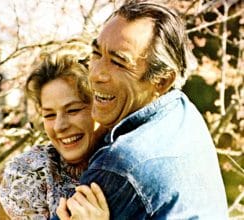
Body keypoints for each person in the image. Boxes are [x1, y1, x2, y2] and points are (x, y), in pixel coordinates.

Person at [56, 1, 229, 219]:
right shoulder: (182, 111)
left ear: (162, 81)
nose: (96, 74)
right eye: (96, 53)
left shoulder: (121, 164)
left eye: (119, 63)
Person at [0, 54, 110, 219]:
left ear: (100, 107)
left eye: (73, 110)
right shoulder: (29, 175)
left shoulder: (125, 160)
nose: (60, 126)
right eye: (49, 115)